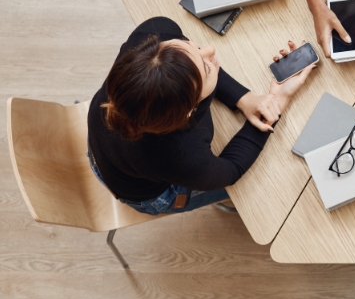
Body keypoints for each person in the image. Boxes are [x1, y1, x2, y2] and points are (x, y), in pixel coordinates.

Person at [87, 17, 314, 215]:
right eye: (206, 68)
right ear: (188, 111)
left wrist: (245, 99)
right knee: (250, 192)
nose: (209, 50)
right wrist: (277, 101)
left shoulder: (154, 33)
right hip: (147, 194)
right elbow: (231, 170)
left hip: (105, 153)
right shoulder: (182, 156)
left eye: (189, 45)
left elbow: (187, 69)